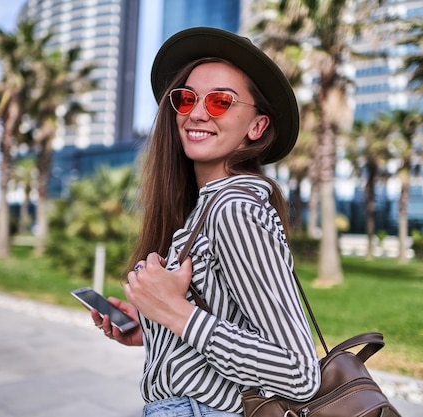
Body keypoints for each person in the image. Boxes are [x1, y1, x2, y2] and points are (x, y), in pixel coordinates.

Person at [91, 27, 321, 416]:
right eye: (187, 98)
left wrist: (174, 312)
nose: (197, 112)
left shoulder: (233, 207)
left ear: (257, 126)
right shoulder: (205, 208)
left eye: (220, 102)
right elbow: (233, 330)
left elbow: (298, 370)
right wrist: (155, 331)